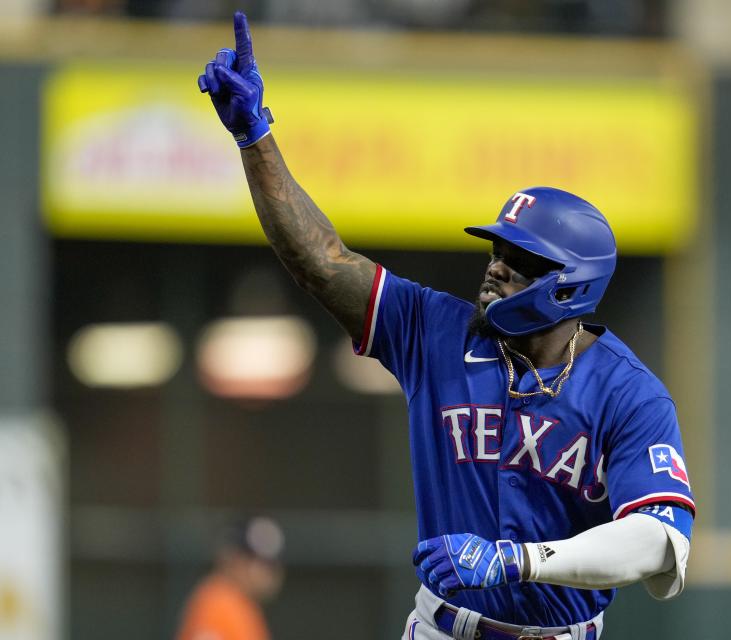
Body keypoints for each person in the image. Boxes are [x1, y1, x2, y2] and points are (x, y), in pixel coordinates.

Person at [199, 13, 695, 639]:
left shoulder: (629, 394)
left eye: (519, 263)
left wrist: (519, 561)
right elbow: (322, 262)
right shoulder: (437, 331)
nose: (495, 269)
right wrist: (254, 138)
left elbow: (660, 542)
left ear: (571, 285)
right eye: (496, 252)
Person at [175, 516, 285, 640]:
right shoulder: (217, 602)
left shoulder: (242, 605)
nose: (264, 570)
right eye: (253, 560)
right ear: (232, 557)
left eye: (269, 563)